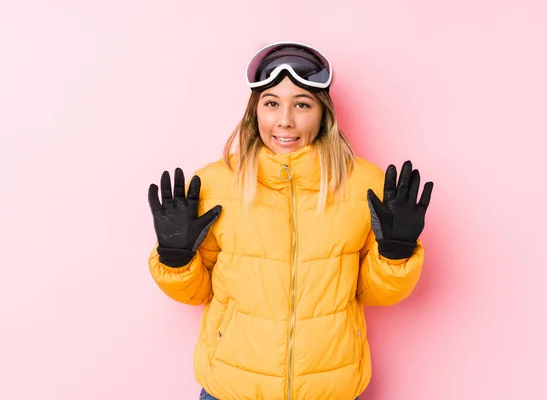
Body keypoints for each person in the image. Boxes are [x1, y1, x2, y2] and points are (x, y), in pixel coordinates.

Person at [147, 41, 434, 400]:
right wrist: (176, 260)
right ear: (255, 112)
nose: (285, 120)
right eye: (271, 103)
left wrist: (395, 256)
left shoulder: (366, 186)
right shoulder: (216, 184)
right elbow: (198, 294)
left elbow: (369, 294)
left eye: (302, 104)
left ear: (323, 113)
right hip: (231, 389)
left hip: (331, 389)